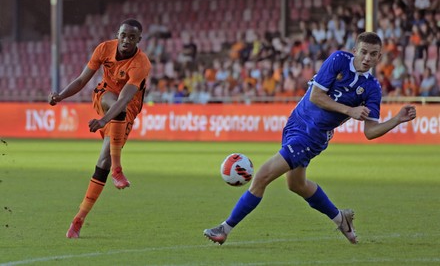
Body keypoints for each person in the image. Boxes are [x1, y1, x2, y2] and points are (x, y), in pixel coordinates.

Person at [203, 32, 417, 245]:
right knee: (296, 184)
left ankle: (225, 229)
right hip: (295, 123)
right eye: (363, 52)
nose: (367, 58)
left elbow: (370, 131)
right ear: (355, 51)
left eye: (373, 54)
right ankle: (341, 219)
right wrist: (349, 110)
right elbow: (316, 96)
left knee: (262, 176)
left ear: (379, 57)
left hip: (312, 136)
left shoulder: (372, 88)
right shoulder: (338, 60)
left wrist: (397, 119)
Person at [48, 19, 151, 238]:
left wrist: (104, 121)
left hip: (127, 109)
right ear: (118, 34)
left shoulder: (141, 63)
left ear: (138, 40)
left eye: (132, 37)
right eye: (123, 35)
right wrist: (61, 96)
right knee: (112, 102)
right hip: (104, 96)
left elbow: (125, 100)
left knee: (102, 160)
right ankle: (118, 169)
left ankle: (78, 220)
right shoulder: (104, 48)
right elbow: (82, 79)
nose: (126, 40)